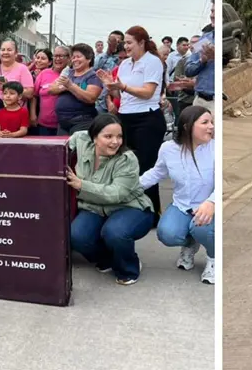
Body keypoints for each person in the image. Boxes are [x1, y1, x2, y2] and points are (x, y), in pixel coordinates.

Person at [66, 114, 155, 285]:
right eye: (108, 136)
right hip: (93, 207)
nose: (115, 142)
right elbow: (72, 139)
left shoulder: (127, 159)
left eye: (119, 136)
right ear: (94, 137)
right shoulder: (83, 140)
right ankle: (108, 259)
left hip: (129, 206)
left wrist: (81, 185)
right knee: (77, 236)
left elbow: (117, 194)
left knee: (115, 232)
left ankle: (128, 269)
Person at [141, 106, 215, 284]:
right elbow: (157, 172)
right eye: (205, 122)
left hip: (208, 206)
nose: (211, 126)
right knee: (167, 234)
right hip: (182, 205)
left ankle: (213, 259)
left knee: (202, 229)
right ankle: (190, 244)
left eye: (212, 122)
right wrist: (130, 187)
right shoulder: (168, 149)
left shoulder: (216, 148)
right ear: (187, 126)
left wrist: (212, 202)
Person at [97, 25, 166, 216]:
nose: (126, 46)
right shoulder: (125, 64)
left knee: (146, 167)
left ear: (141, 42)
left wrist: (123, 86)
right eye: (124, 43)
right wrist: (110, 86)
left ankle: (151, 211)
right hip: (125, 116)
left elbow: (148, 92)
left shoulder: (152, 62)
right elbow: (120, 94)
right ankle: (128, 206)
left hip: (147, 118)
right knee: (125, 164)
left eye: (129, 43)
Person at [56, 43, 103, 136]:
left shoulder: (93, 77)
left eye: (78, 57)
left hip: (82, 122)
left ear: (89, 59)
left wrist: (71, 86)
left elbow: (90, 98)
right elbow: (51, 89)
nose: (74, 60)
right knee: (62, 146)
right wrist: (67, 87)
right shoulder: (68, 73)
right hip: (62, 123)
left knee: (79, 145)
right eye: (73, 57)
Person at [184, 0, 216, 112]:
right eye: (212, 11)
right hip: (199, 101)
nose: (212, 15)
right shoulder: (204, 39)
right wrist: (202, 61)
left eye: (216, 12)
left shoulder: (230, 41)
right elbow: (188, 70)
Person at [31, 45, 66, 136]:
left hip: (64, 125)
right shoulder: (44, 73)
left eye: (61, 56)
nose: (58, 59)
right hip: (44, 124)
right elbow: (34, 96)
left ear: (68, 58)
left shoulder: (71, 74)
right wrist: (33, 114)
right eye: (56, 56)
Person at [0, 40, 34, 105]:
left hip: (14, 108)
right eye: (3, 50)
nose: (5, 52)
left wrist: (9, 86)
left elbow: (30, 93)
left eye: (9, 50)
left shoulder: (22, 69)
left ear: (16, 53)